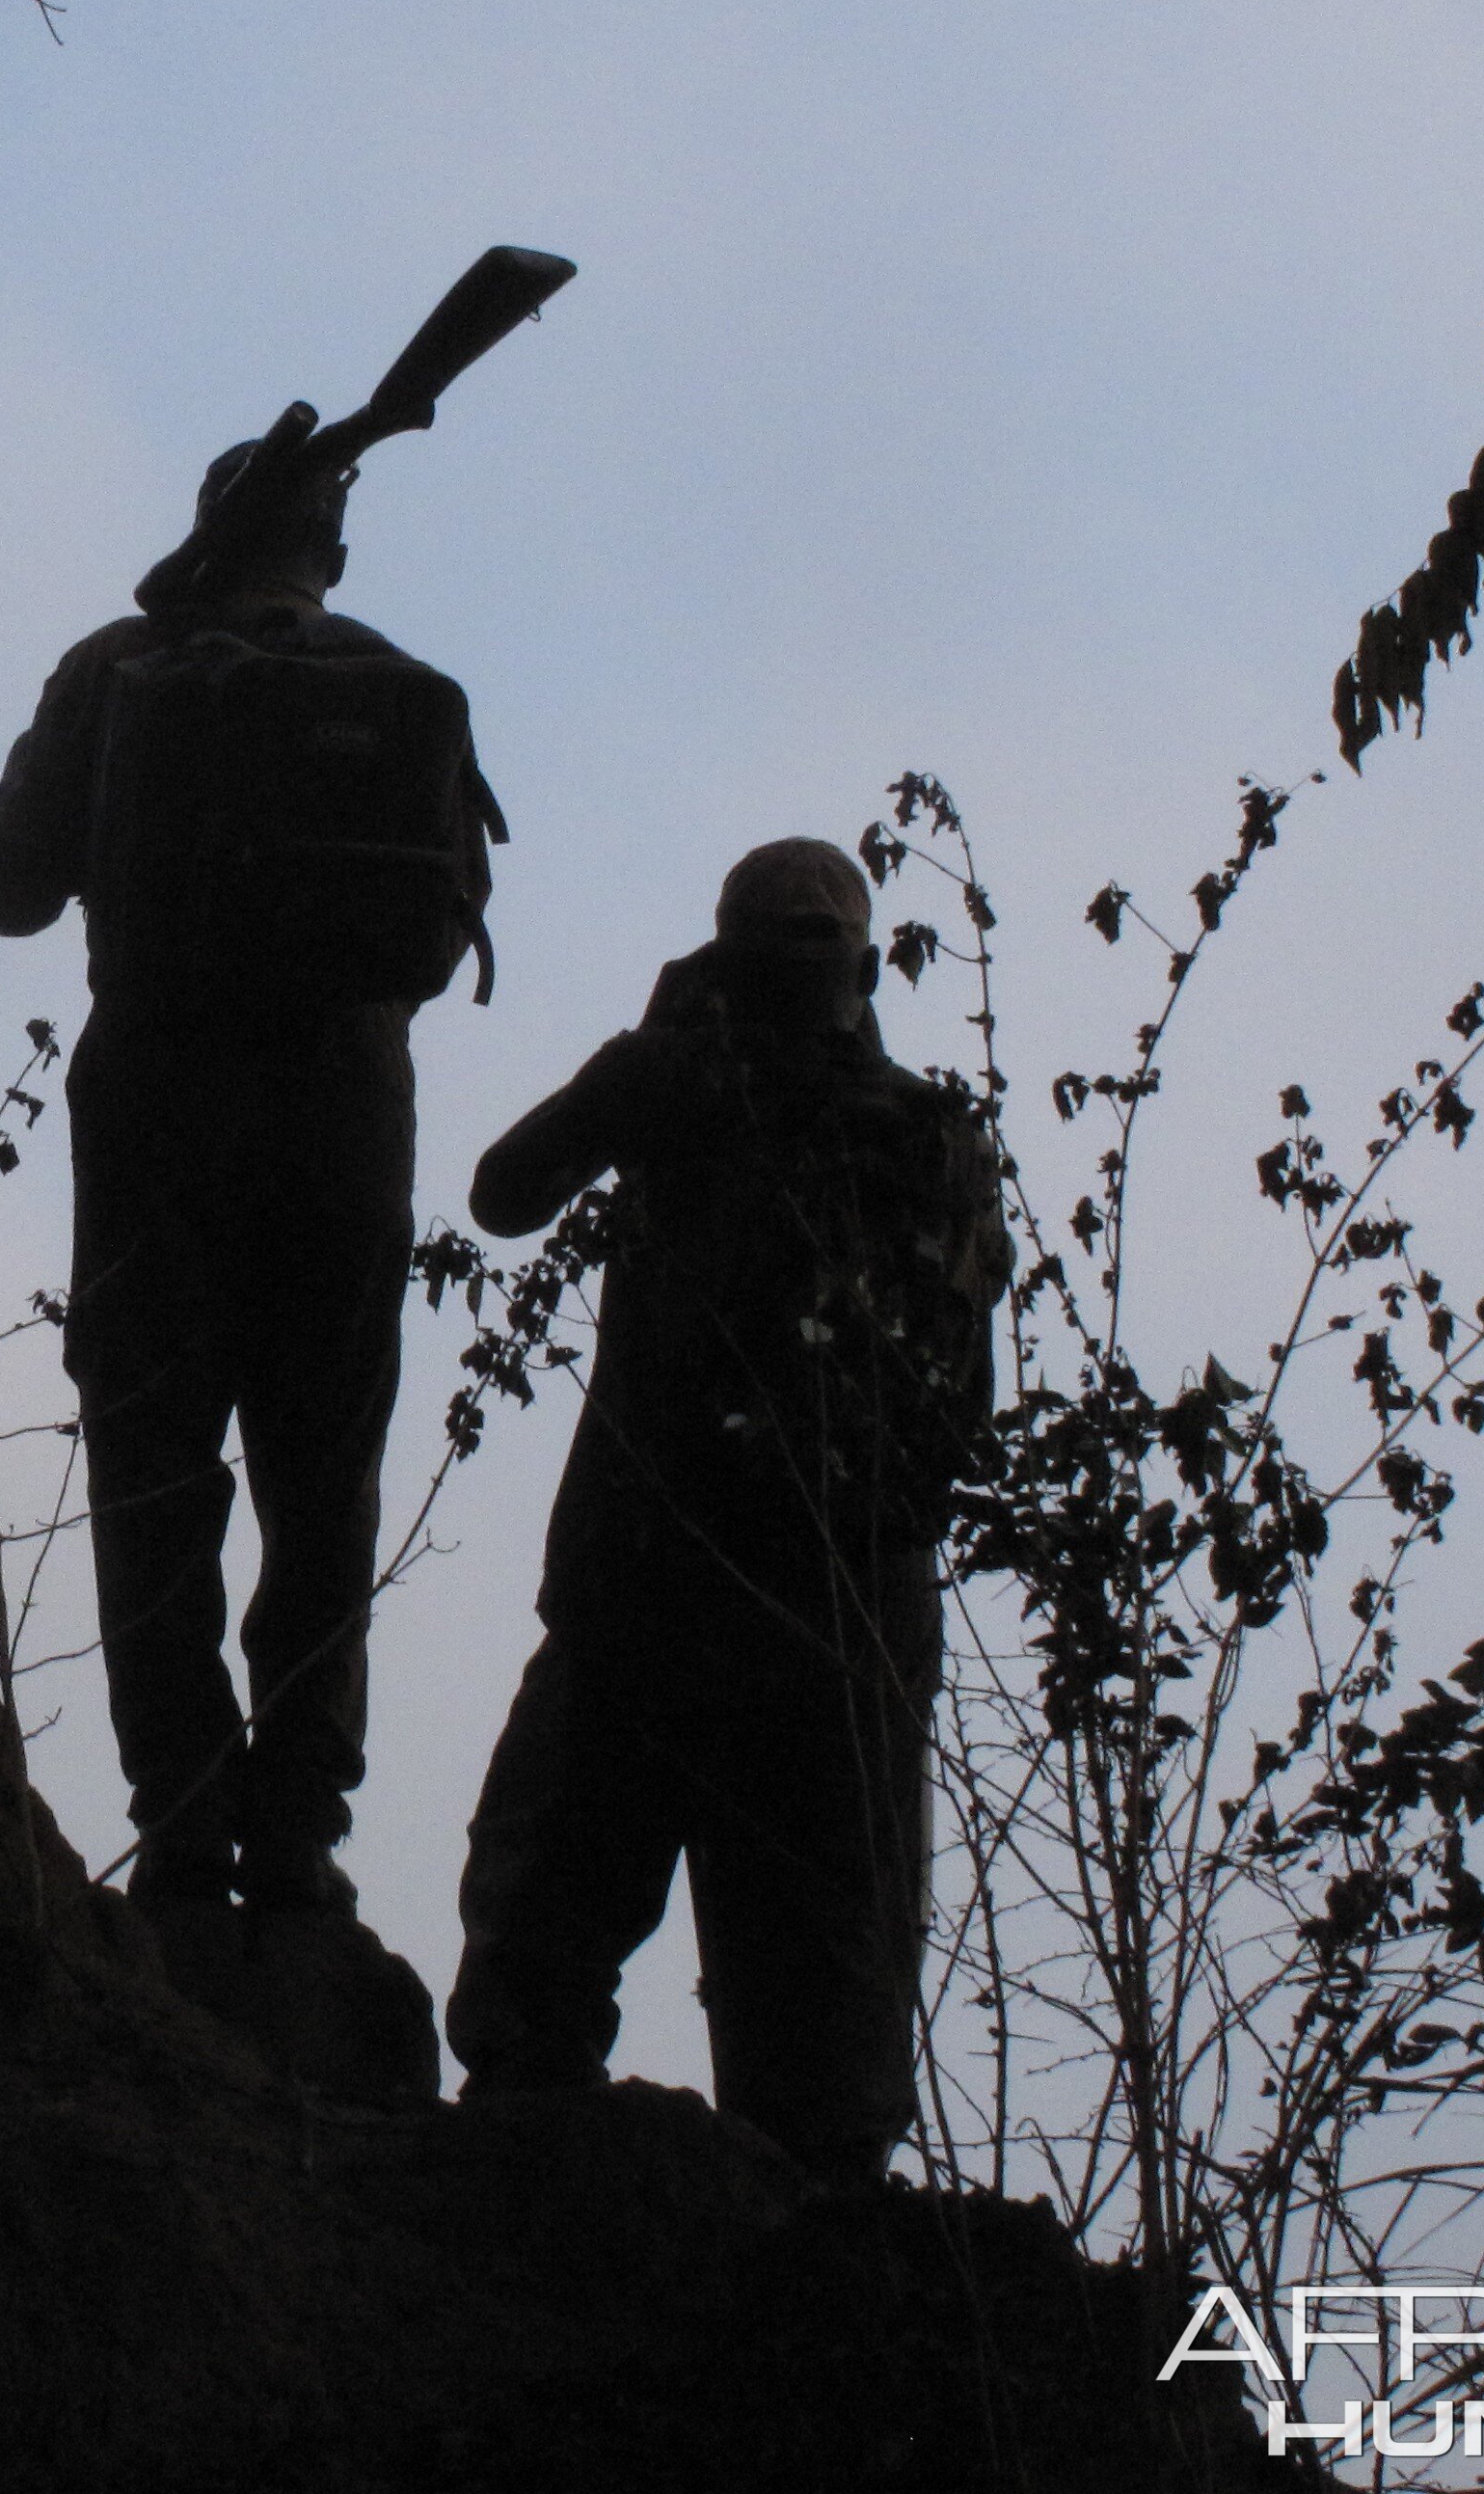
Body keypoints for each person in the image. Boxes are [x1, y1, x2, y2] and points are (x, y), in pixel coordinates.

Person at [0, 446, 497, 1914]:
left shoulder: (121, 668)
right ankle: (304, 1833)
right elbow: (442, 940)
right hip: (343, 1128)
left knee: (155, 1471)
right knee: (323, 1484)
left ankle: (185, 1829)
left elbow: (2, 886)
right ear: (330, 551)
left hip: (154, 1120)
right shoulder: (399, 682)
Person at [445, 837, 1000, 2181]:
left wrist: (656, 1035)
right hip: (851, 1605)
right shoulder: (939, 1137)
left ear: (724, 955)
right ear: (867, 970)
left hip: (648, 1579)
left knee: (540, 1963)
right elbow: (967, 1405)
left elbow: (501, 1192)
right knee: (829, 2030)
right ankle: (822, 2304)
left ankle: (520, 2234)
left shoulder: (671, 1080)